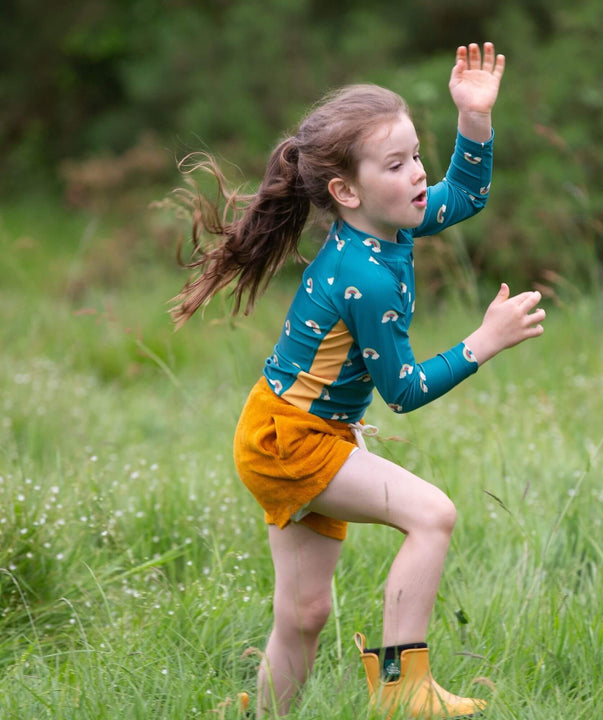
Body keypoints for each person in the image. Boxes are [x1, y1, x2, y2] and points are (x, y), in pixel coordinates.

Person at [172, 42, 545, 719]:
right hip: (292, 440)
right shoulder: (366, 277)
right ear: (346, 191)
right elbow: (401, 392)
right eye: (397, 164)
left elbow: (466, 195)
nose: (418, 176)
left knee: (305, 614)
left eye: (416, 157)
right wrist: (482, 343)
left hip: (283, 428)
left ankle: (268, 716)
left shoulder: (389, 227)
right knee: (432, 515)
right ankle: (404, 692)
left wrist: (475, 119)